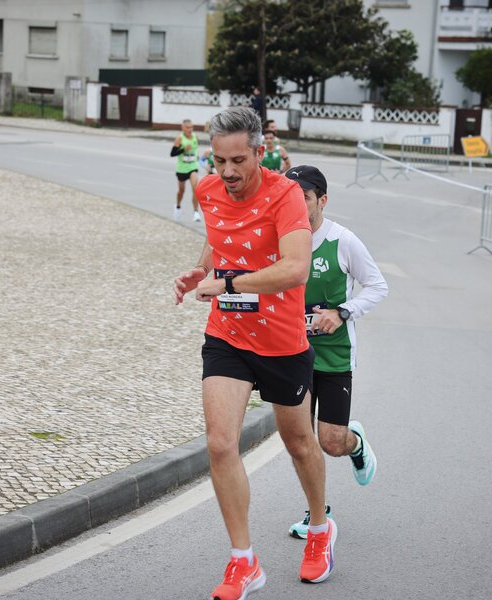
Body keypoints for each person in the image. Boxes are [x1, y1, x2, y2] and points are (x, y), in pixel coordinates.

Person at [174, 107, 336, 600]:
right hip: (228, 335)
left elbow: (296, 268)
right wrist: (201, 271)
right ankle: (244, 561)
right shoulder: (208, 189)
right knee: (221, 443)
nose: (227, 172)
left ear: (259, 153)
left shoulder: (285, 195)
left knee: (299, 443)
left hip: (282, 341)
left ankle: (320, 526)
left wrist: (228, 284)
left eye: (238, 161)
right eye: (219, 161)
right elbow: (219, 240)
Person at [284, 165, 388, 539]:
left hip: (334, 356)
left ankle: (354, 443)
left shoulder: (342, 240)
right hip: (292, 354)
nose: (296, 204)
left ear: (322, 200)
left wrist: (342, 312)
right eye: (289, 197)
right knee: (300, 442)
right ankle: (317, 515)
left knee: (330, 442)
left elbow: (377, 286)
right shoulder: (280, 239)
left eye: (304, 197)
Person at [170, 119, 201, 222]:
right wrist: (184, 149)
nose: (190, 129)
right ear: (183, 128)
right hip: (182, 169)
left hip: (192, 167)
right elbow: (172, 153)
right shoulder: (180, 138)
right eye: (187, 127)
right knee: (181, 191)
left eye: (191, 127)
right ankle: (178, 206)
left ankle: (196, 212)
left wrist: (197, 156)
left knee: (196, 188)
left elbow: (196, 149)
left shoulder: (195, 137)